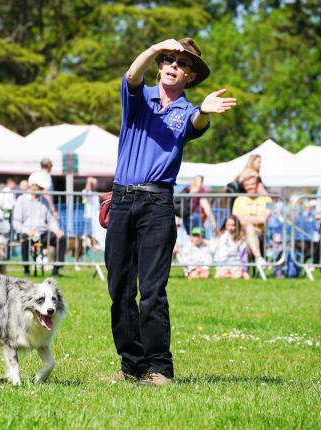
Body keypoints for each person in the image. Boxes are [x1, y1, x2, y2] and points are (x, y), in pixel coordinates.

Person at [105, 37, 236, 386]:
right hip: (120, 200)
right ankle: (130, 366)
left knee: (151, 290)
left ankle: (159, 368)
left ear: (190, 76)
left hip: (157, 205)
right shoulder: (138, 96)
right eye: (167, 59)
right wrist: (151, 48)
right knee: (118, 288)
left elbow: (195, 125)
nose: (172, 65)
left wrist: (205, 110)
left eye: (181, 63)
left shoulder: (188, 112)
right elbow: (133, 74)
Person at [13, 172, 66, 277]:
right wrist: (28, 231)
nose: (42, 190)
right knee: (24, 239)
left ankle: (56, 269)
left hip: (42, 233)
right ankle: (26, 269)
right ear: (32, 185)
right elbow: (16, 222)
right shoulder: (21, 200)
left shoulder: (44, 201)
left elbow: (50, 220)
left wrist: (57, 230)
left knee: (61, 238)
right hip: (27, 233)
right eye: (40, 187)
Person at [232, 169, 272, 268]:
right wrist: (256, 219)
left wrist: (246, 218)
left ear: (257, 185)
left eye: (252, 184)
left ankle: (256, 260)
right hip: (241, 233)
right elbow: (237, 220)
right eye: (247, 185)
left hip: (261, 233)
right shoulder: (239, 200)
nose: (250, 187)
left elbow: (264, 219)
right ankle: (258, 258)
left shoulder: (267, 199)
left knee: (249, 228)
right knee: (249, 228)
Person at [214, 215, 249, 279]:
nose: (230, 227)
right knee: (219, 276)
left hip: (236, 263)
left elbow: (243, 256)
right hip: (223, 264)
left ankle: (239, 273)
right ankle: (228, 274)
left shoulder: (241, 238)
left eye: (233, 225)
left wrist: (244, 269)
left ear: (237, 225)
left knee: (237, 275)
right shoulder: (221, 236)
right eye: (228, 225)